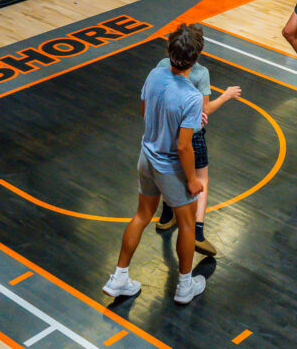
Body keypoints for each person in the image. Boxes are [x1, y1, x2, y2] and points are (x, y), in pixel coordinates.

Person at [102, 24, 208, 304]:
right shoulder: (192, 97)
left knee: (141, 215)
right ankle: (185, 286)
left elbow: (144, 111)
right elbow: (184, 146)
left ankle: (119, 278)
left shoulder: (155, 73)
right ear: (196, 58)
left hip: (146, 157)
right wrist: (193, 180)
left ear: (169, 51)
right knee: (186, 224)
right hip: (170, 167)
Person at [156, 35, 242, 258]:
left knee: (171, 173)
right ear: (197, 53)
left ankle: (166, 217)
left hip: (165, 132)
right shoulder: (200, 73)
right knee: (201, 179)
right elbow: (204, 111)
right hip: (191, 136)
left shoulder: (162, 66)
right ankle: (197, 232)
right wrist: (226, 96)